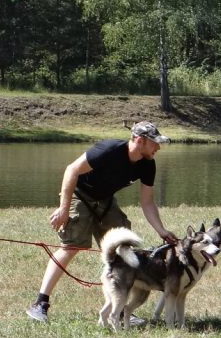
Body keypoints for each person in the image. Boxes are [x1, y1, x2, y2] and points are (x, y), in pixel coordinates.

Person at [26, 121, 178, 324]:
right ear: (140, 141)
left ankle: (121, 309)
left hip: (105, 201)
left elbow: (147, 202)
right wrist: (64, 208)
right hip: (79, 195)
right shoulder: (109, 150)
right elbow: (71, 170)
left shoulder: (147, 164)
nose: (158, 147)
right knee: (71, 246)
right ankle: (40, 304)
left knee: (124, 248)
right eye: (155, 143)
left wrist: (161, 230)